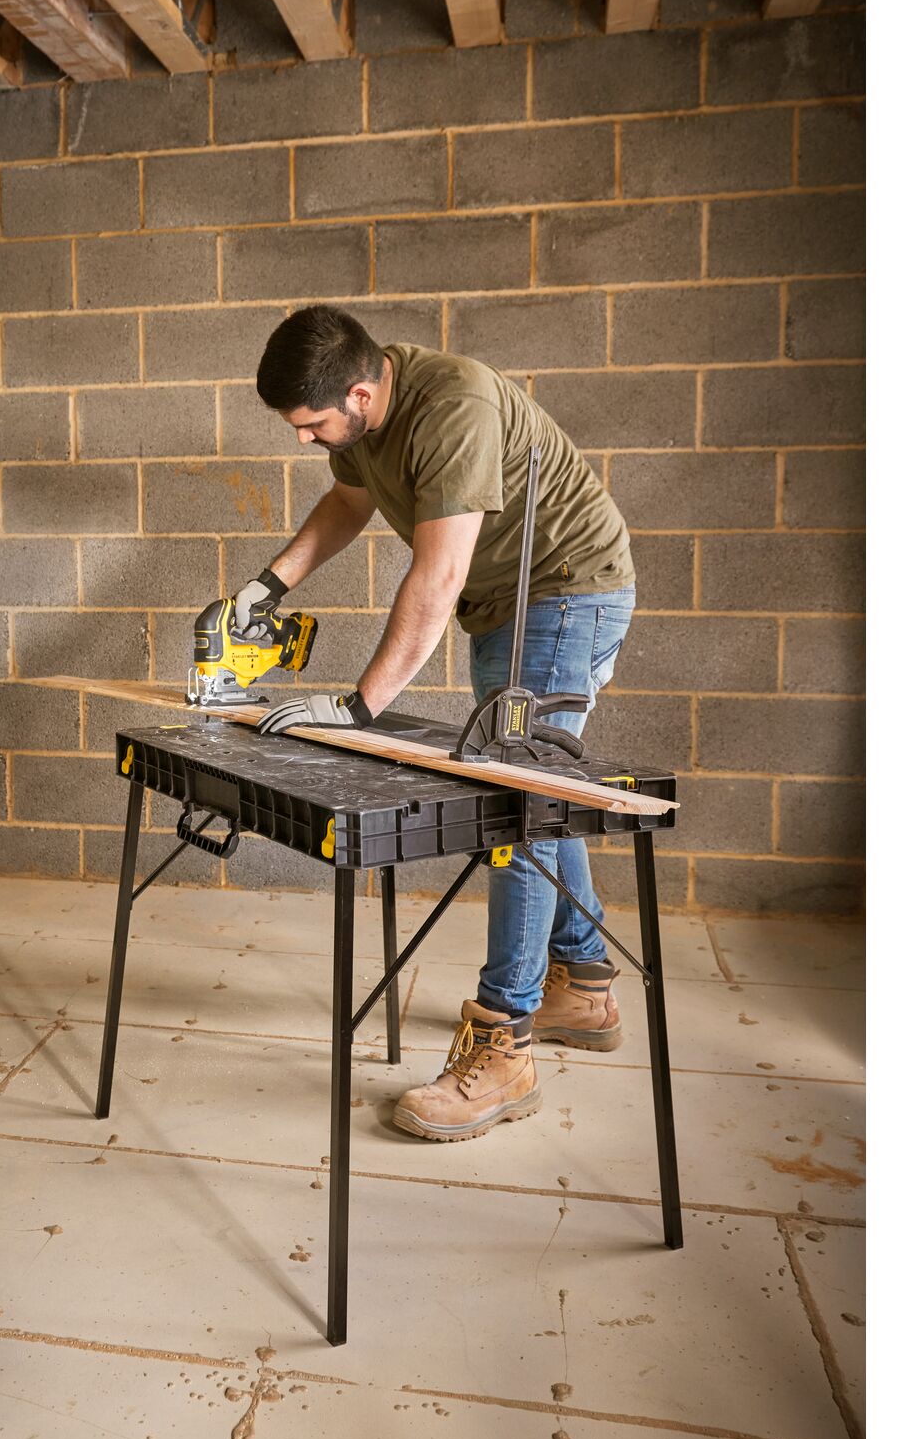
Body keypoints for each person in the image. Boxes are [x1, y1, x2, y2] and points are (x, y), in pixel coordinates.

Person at [222, 304, 636, 1143]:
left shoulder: (455, 407)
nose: (305, 440)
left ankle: (506, 1043)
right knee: (540, 794)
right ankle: (586, 986)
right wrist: (267, 586)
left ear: (363, 392)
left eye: (311, 425)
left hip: (565, 592)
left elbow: (437, 575)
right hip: (508, 603)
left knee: (516, 801)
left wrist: (356, 707)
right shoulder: (365, 425)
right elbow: (347, 506)